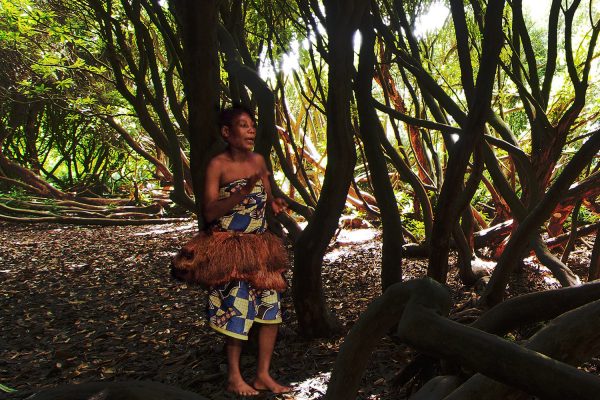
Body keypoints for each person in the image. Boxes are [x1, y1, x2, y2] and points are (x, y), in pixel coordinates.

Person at [171, 105, 291, 396]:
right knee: (236, 310)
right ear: (227, 132)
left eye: (252, 125)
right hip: (229, 250)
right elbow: (209, 211)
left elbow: (268, 198)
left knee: (270, 312)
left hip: (260, 249)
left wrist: (275, 204)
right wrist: (241, 193)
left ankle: (263, 375)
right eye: (243, 125)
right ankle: (235, 377)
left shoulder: (259, 160)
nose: (251, 130)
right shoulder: (218, 165)